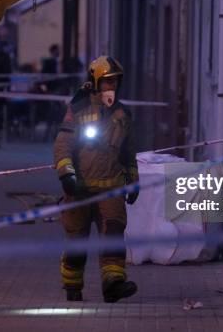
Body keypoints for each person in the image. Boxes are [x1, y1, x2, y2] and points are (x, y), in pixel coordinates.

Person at [54, 55, 139, 303]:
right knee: (77, 242)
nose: (110, 88)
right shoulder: (78, 110)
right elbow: (62, 146)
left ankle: (113, 285)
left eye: (114, 82)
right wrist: (67, 174)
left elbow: (128, 153)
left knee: (113, 236)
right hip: (79, 189)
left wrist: (133, 181)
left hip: (111, 189)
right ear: (94, 82)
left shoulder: (123, 114)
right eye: (106, 82)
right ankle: (72, 287)